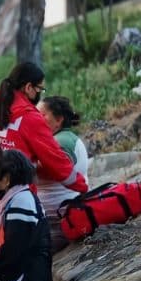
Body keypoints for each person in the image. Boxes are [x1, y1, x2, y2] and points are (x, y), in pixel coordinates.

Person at [0, 62, 87, 195]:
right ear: (28, 87)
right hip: (17, 198)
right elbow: (56, 162)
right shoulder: (30, 118)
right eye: (40, 90)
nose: (40, 95)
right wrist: (83, 187)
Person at [0, 150, 53, 281]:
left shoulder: (21, 202)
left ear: (6, 179)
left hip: (26, 280)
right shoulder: (17, 199)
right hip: (20, 274)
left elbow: (13, 251)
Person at [36, 95, 90, 253]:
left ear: (58, 119)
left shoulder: (62, 141)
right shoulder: (59, 139)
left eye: (42, 114)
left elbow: (57, 168)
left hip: (59, 222)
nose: (36, 119)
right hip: (56, 219)